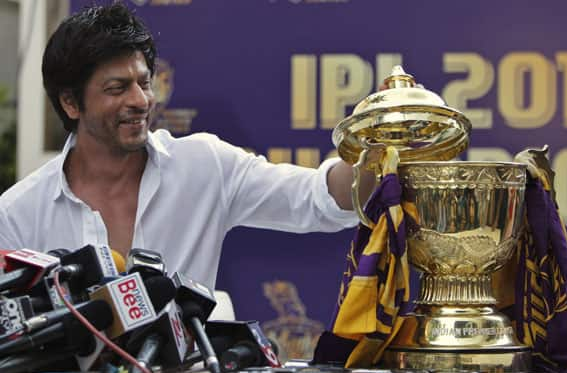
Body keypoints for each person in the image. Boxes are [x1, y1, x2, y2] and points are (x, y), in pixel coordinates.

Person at [0, 3, 376, 288]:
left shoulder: (204, 165)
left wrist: (382, 152)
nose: (141, 100)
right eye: (117, 88)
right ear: (70, 103)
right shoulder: (18, 214)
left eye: (144, 83)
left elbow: (315, 198)